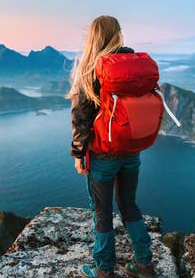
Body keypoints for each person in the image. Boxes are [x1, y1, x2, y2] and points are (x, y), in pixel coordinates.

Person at [67, 15, 155, 278]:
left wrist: (78, 153)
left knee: (102, 214)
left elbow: (81, 116)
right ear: (118, 34)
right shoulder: (133, 66)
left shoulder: (91, 69)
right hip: (131, 151)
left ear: (92, 36)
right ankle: (144, 265)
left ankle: (103, 269)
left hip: (102, 154)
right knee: (130, 206)